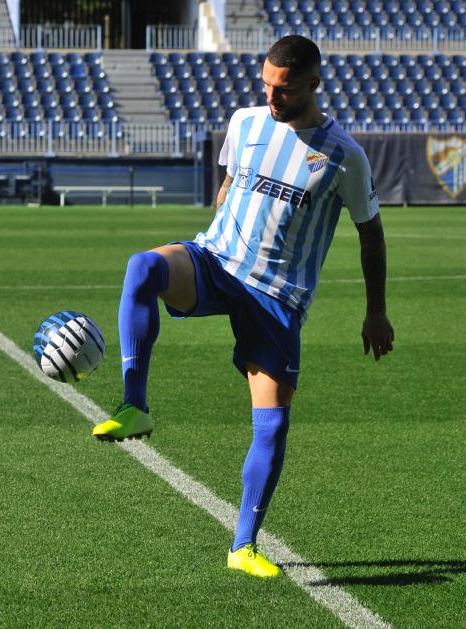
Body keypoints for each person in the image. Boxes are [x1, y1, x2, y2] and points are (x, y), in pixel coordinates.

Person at [92, 35, 394, 578]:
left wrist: (376, 310)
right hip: (217, 260)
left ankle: (243, 546)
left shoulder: (344, 156)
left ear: (313, 85)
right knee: (143, 267)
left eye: (285, 90)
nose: (273, 98)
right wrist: (217, 225)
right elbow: (230, 180)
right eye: (267, 86)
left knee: (272, 425)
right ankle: (135, 405)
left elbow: (370, 234)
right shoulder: (245, 122)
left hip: (276, 296)